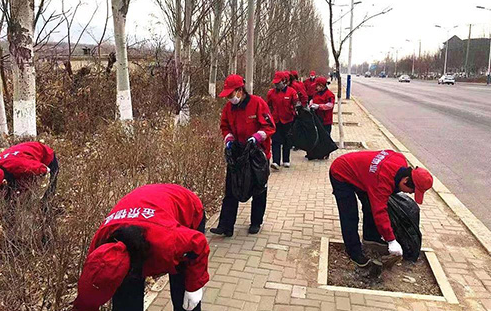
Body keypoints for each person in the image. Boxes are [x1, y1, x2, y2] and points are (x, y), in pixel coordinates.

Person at [74, 184, 209, 311]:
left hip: (184, 207)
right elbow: (88, 297)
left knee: (184, 294)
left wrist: (194, 287)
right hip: (145, 207)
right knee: (126, 300)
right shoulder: (99, 245)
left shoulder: (165, 242)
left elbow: (198, 244)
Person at [329, 150, 433, 267]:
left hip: (364, 175)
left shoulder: (400, 159)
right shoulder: (382, 182)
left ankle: (371, 237)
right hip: (341, 172)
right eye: (412, 191)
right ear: (405, 181)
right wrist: (391, 240)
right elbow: (380, 212)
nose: (410, 194)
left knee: (369, 206)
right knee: (350, 216)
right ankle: (354, 253)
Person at [210, 74, 275, 237]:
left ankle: (256, 222)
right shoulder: (228, 109)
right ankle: (226, 226)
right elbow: (224, 126)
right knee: (231, 188)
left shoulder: (257, 103)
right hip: (239, 154)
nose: (230, 99)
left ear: (240, 90)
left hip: (258, 154)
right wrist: (229, 138)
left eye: (231, 95)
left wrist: (258, 137)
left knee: (258, 188)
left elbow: (269, 126)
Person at [267, 71, 298, 170]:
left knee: (287, 140)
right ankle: (276, 161)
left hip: (288, 120)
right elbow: (268, 106)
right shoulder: (271, 93)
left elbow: (295, 104)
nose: (277, 85)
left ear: (284, 81)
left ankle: (286, 160)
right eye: (275, 83)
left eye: (278, 83)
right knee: (276, 141)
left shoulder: (291, 92)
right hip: (276, 120)